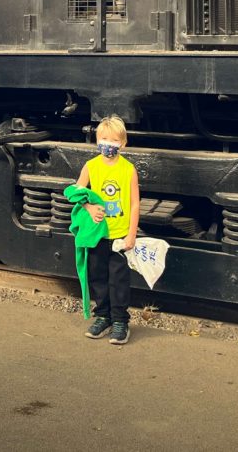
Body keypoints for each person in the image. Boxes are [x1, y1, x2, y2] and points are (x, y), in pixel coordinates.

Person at [73, 115, 140, 345]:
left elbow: (134, 203)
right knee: (98, 276)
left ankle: (121, 320)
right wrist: (89, 207)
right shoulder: (91, 166)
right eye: (103, 138)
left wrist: (132, 233)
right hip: (97, 234)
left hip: (119, 235)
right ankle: (103, 316)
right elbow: (75, 191)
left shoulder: (128, 169)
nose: (107, 144)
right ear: (96, 140)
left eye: (113, 140)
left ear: (123, 143)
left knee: (119, 279)